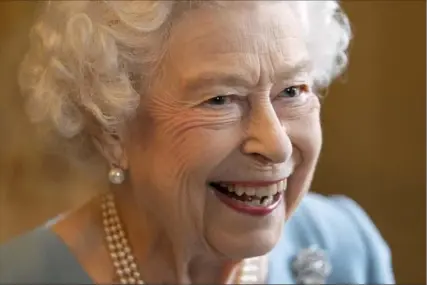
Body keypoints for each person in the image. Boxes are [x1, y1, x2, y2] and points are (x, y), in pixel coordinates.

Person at [0, 1, 395, 284]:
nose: (277, 145)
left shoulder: (347, 248)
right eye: (220, 99)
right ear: (111, 128)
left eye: (292, 91)